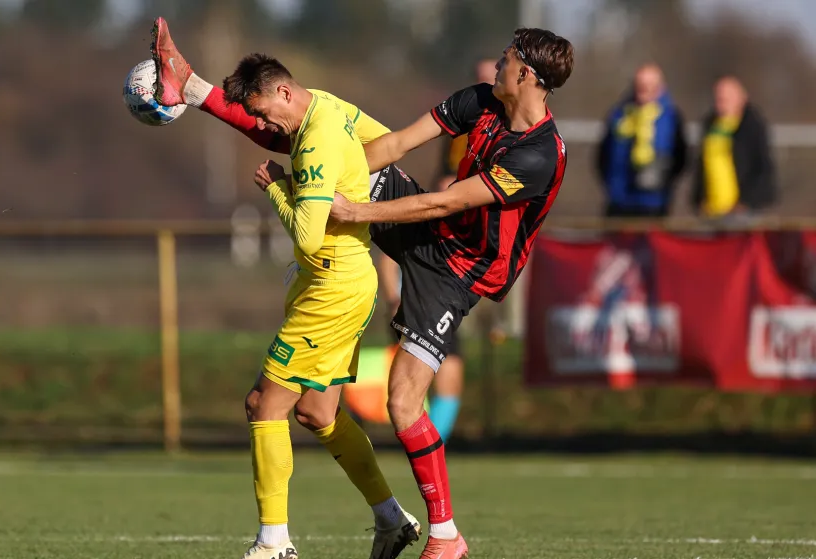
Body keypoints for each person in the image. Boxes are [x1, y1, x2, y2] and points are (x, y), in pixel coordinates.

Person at [150, 18, 573, 559]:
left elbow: (445, 201)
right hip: (426, 229)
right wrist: (324, 172)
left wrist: (351, 206)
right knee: (316, 411)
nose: (498, 62)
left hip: (460, 272)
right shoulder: (480, 100)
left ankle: (445, 535)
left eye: (509, 57)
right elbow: (394, 143)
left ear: (530, 76)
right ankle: (193, 89)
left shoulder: (539, 155)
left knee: (402, 403)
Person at [151, 22, 420, 559]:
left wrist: (279, 187)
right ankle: (392, 519)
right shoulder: (322, 106)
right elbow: (373, 138)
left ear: (283, 91)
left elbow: (306, 236)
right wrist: (197, 88)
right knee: (317, 413)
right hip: (339, 281)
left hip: (333, 286)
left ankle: (274, 543)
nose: (265, 123)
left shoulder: (315, 137)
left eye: (266, 111)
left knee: (263, 404)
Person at [378, 58, 500, 443]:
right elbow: (400, 144)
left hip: (450, 284)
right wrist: (392, 290)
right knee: (405, 396)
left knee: (438, 380)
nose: (490, 81)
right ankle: (424, 447)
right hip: (421, 287)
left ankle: (432, 447)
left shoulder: (519, 147)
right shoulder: (467, 116)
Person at [596, 63, 688, 218]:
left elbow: (681, 157)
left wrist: (665, 182)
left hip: (654, 203)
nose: (644, 90)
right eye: (641, 85)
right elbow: (602, 154)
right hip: (619, 201)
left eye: (650, 85)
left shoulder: (672, 117)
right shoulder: (619, 114)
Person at [692, 75, 777, 221]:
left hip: (741, 210)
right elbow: (701, 166)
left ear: (741, 98)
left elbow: (762, 166)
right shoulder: (710, 125)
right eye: (718, 97)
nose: (721, 101)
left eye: (727, 97)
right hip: (711, 210)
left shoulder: (752, 125)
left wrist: (746, 201)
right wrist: (698, 199)